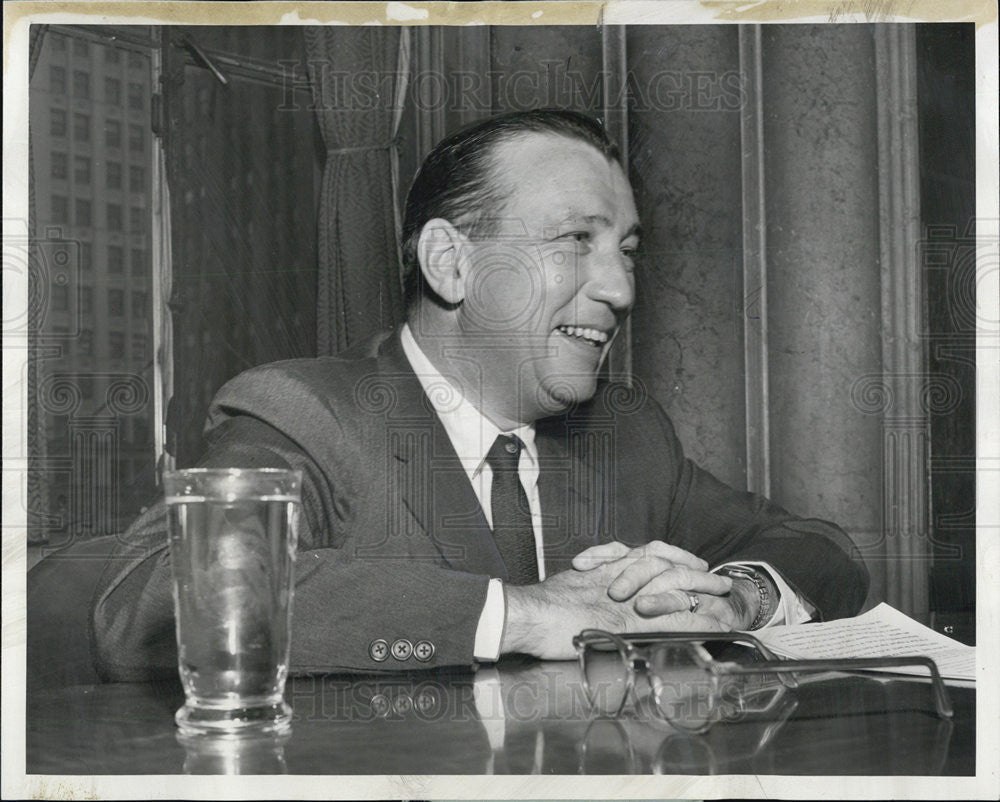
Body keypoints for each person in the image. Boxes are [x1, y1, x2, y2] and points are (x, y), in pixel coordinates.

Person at [90, 109, 868, 680]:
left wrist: (732, 599)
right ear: (450, 263)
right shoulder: (306, 414)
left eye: (627, 250)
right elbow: (160, 602)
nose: (621, 288)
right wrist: (526, 614)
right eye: (574, 241)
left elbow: (823, 550)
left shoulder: (629, 435)